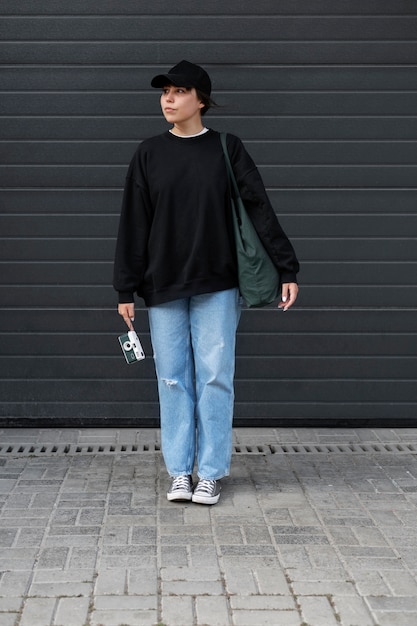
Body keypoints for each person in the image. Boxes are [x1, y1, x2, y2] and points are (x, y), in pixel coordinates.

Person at [113, 60, 299, 505]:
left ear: (201, 100)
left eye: (178, 92)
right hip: (163, 286)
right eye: (165, 92)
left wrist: (286, 268)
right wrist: (125, 288)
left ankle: (211, 472)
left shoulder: (227, 149)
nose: (168, 100)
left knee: (216, 377)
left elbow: (259, 209)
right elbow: (133, 224)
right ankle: (180, 471)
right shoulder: (148, 154)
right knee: (172, 379)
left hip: (218, 283)